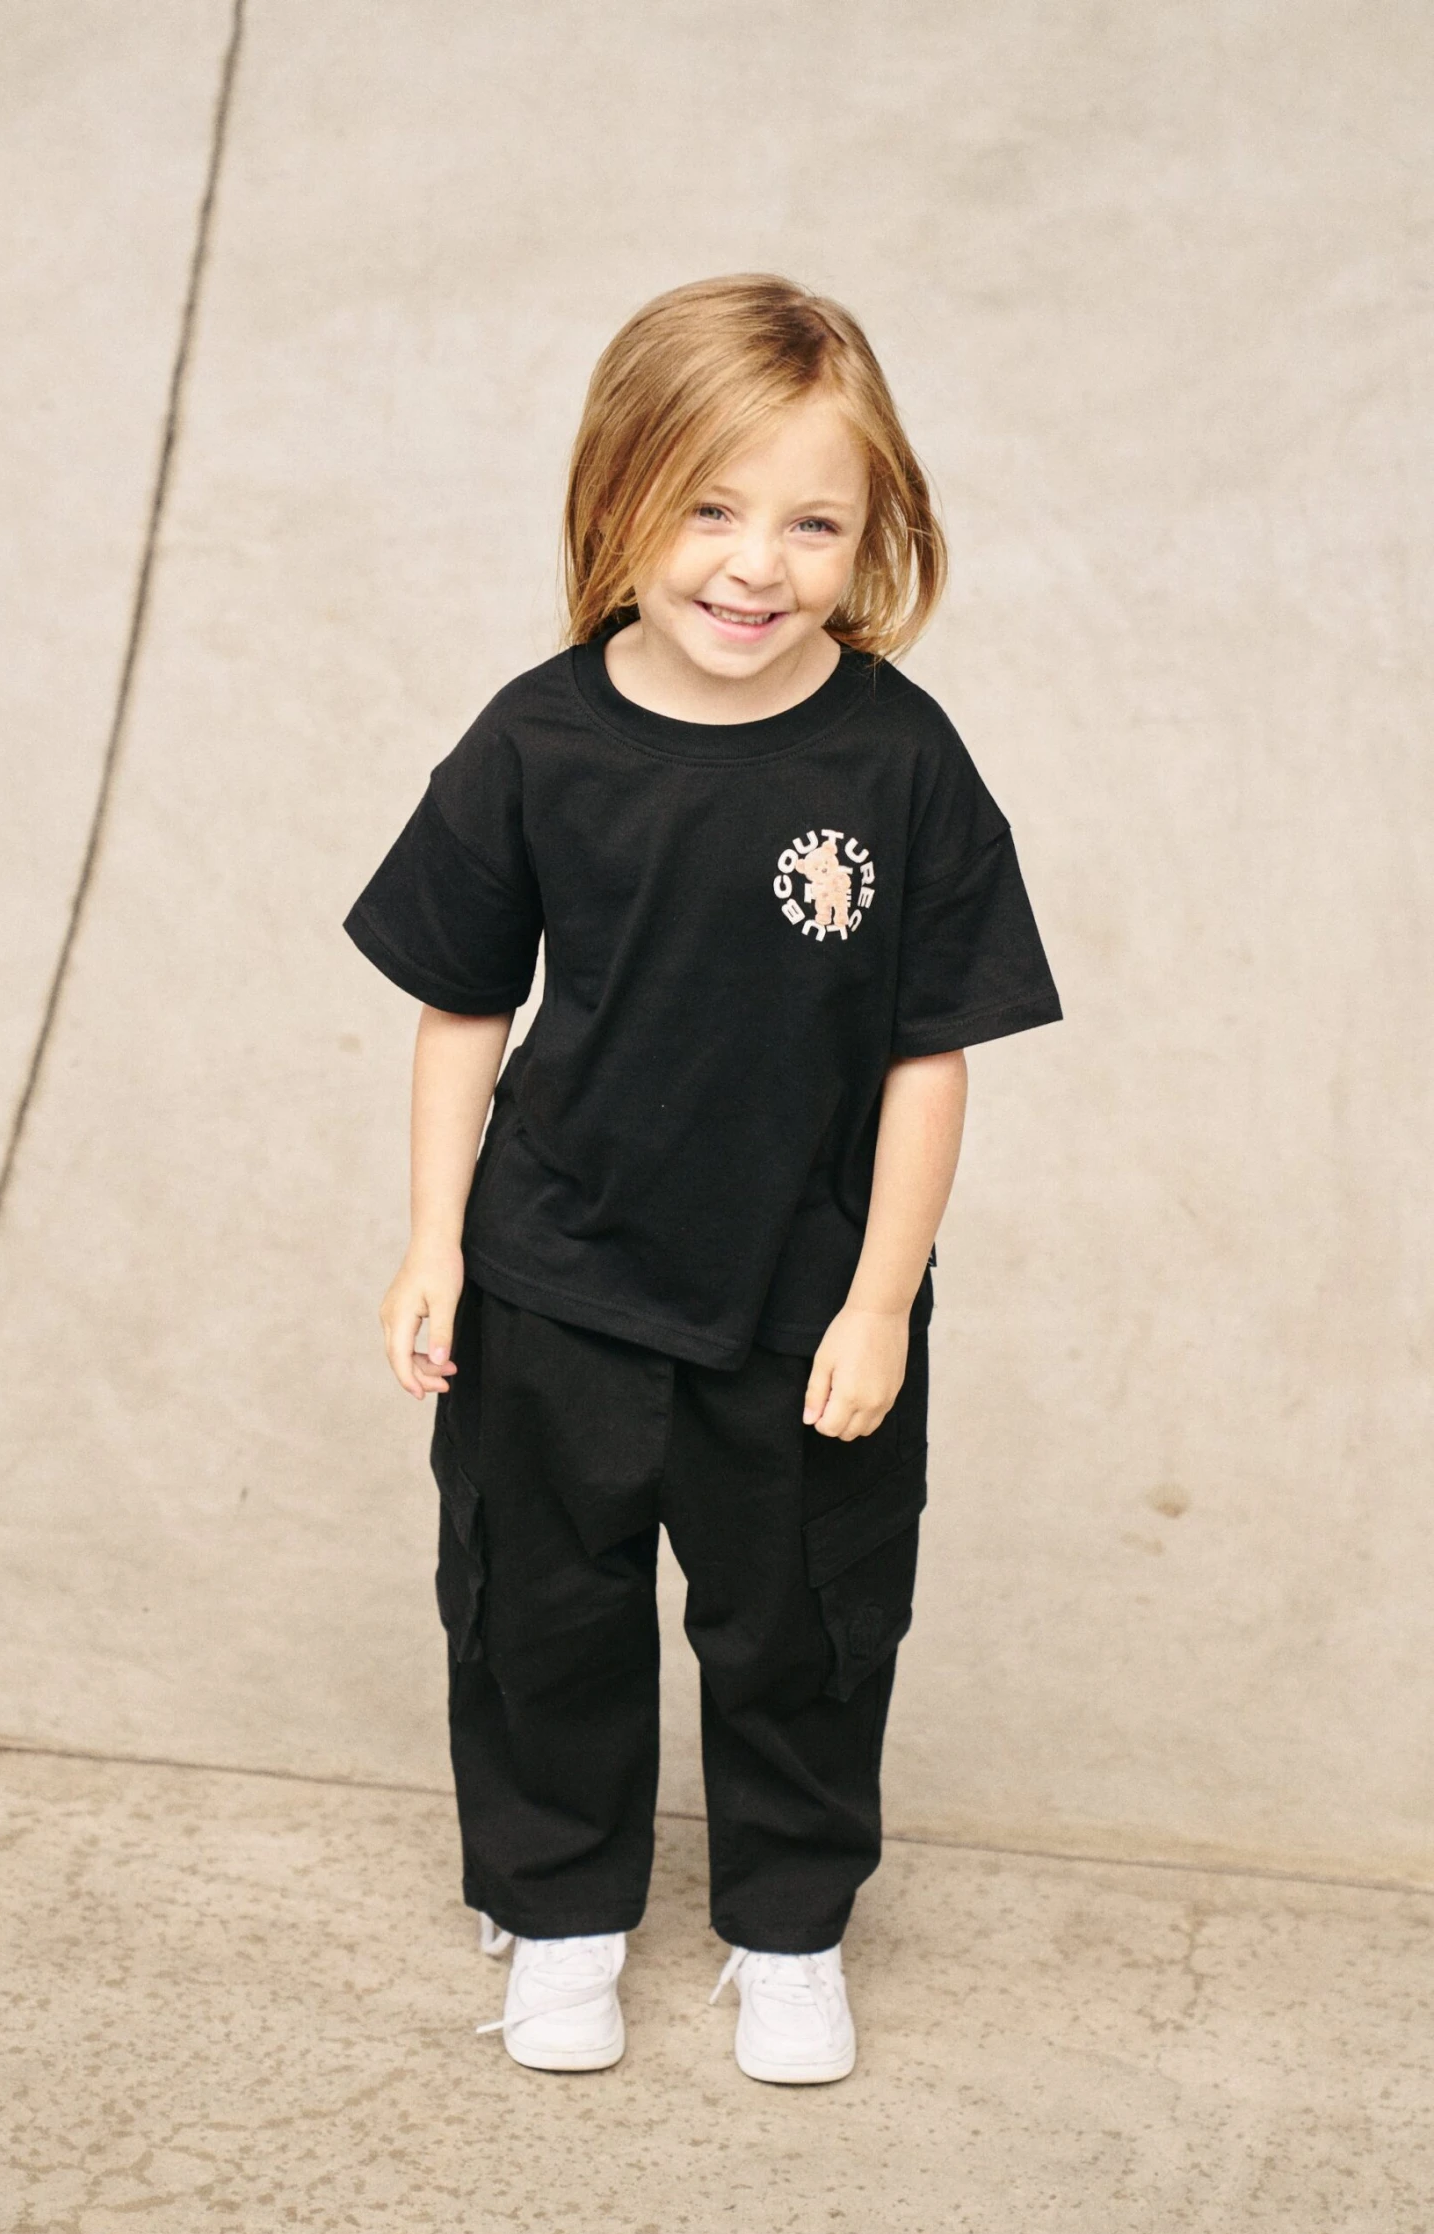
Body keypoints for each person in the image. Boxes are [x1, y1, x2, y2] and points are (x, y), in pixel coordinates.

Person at [344, 274, 1061, 2084]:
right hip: (556, 1283)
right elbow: (462, 1003)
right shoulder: (538, 740)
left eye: (814, 522)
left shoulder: (898, 756)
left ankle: (790, 1930)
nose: (756, 565)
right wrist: (434, 1241)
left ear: (876, 531)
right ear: (620, 500)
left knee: (807, 1628)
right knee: (540, 1612)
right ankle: (561, 1912)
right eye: (710, 509)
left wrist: (879, 1299)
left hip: (798, 1302)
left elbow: (928, 1054)